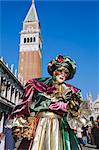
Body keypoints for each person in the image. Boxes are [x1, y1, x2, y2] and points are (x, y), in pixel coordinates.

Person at [5, 55, 84, 150]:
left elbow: (78, 113)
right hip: (40, 125)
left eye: (66, 72)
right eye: (60, 71)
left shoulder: (71, 91)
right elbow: (25, 103)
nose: (63, 75)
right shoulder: (38, 84)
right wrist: (21, 121)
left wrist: (65, 107)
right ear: (54, 71)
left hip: (59, 127)